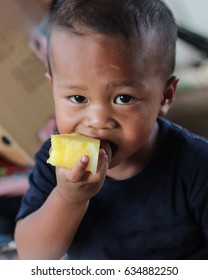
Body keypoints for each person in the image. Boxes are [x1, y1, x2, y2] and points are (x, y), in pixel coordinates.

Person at [14, 0, 208, 260]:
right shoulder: (54, 161)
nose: (97, 120)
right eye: (77, 98)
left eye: (124, 99)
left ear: (165, 96)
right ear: (53, 88)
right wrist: (69, 198)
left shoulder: (197, 165)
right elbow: (32, 256)